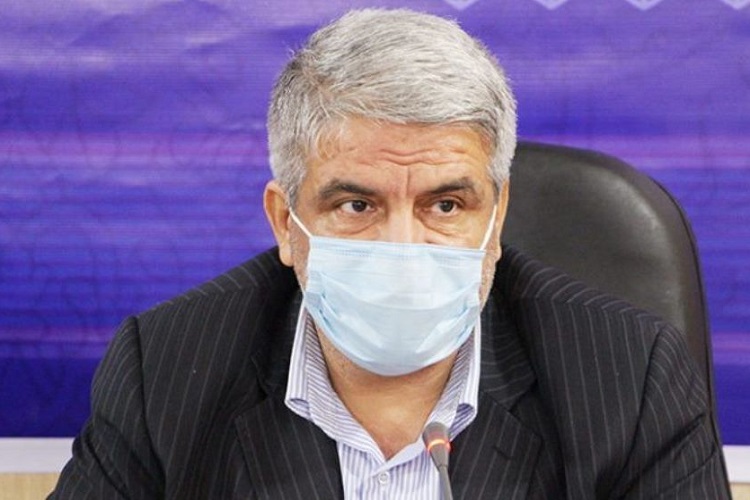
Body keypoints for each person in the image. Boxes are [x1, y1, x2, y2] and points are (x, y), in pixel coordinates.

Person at [51, 8, 730, 499]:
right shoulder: (166, 369)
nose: (403, 247)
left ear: (495, 221)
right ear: (287, 224)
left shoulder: (628, 375)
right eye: (357, 205)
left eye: (445, 205)